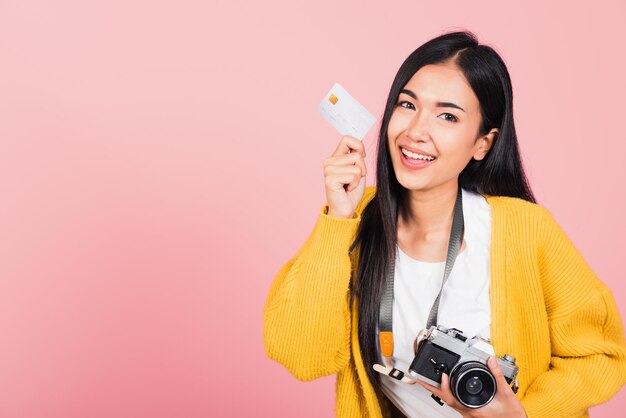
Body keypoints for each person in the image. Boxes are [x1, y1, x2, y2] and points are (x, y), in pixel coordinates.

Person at [263, 30, 626, 418]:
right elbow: (300, 356)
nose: (416, 132)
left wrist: (524, 415)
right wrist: (338, 219)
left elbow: (600, 354)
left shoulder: (525, 229)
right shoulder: (354, 223)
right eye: (407, 105)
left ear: (483, 143)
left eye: (448, 115)